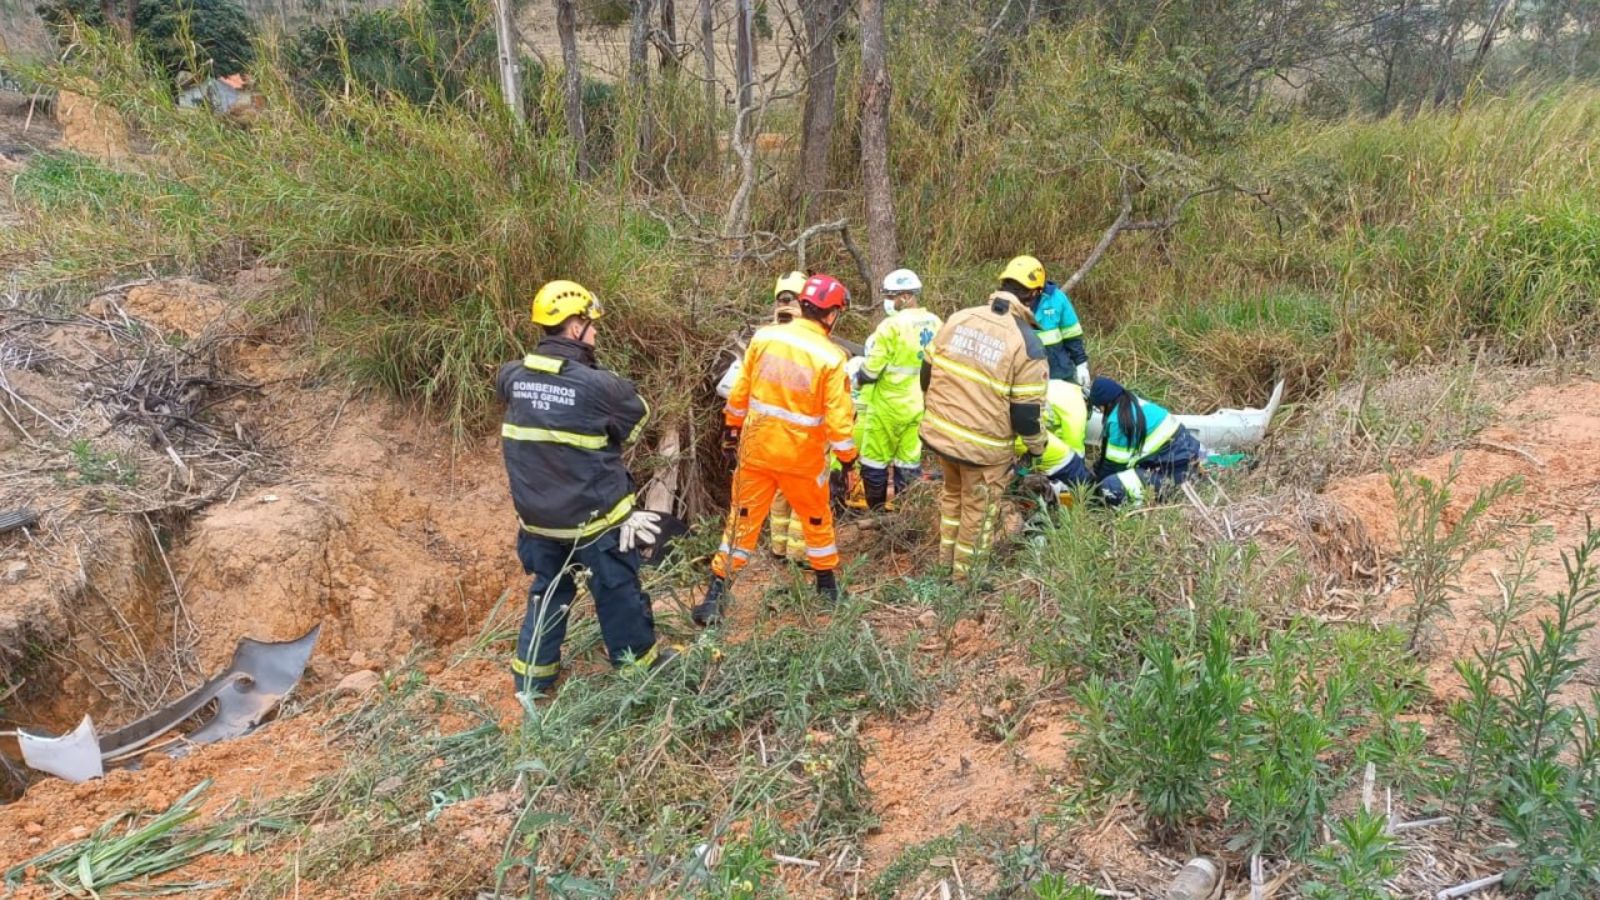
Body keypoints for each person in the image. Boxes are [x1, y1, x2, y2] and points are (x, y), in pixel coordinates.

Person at [497, 280, 671, 695]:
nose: (595, 333)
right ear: (575, 327)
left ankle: (532, 679)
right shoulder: (600, 387)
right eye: (591, 325)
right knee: (616, 592)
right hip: (593, 523)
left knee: (549, 591)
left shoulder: (511, 377)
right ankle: (638, 672)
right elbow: (636, 420)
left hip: (537, 522)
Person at [695, 273, 858, 625]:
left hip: (757, 451)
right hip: (803, 460)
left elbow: (740, 393)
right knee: (816, 521)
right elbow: (839, 421)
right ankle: (827, 590)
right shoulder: (831, 358)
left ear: (802, 304)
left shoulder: (764, 338)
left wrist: (731, 432)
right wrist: (848, 463)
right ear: (831, 314)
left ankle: (715, 597)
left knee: (741, 522)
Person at [919, 277, 1048, 581]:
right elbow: (1027, 414)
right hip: (983, 449)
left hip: (943, 435)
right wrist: (1037, 447)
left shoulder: (960, 318)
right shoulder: (1026, 342)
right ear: (1033, 295)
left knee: (953, 498)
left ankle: (944, 565)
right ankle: (966, 582)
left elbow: (926, 372)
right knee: (979, 513)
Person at [856, 268, 942, 510]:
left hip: (888, 406)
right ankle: (905, 515)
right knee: (908, 462)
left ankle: (877, 514)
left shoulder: (891, 326)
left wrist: (858, 378)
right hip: (919, 406)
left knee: (874, 461)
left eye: (890, 296)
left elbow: (871, 372)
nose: (887, 301)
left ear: (905, 296)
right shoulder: (936, 322)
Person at [1085, 376, 1201, 506]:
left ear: (1105, 404)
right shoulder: (1133, 402)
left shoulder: (1119, 421)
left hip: (1173, 479)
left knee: (1110, 486)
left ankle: (1142, 507)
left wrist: (1094, 492)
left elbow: (1113, 467)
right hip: (1186, 462)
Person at [766, 271, 809, 565]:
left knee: (780, 491)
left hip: (769, 431)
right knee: (803, 493)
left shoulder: (764, 336)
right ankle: (798, 554)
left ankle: (778, 548)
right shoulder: (806, 339)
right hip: (802, 429)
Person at [999, 255, 1089, 386]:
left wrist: (1081, 364)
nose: (1015, 291)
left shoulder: (1057, 299)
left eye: (1020, 287)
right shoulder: (1001, 302)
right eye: (1011, 285)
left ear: (1036, 288)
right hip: (1020, 374)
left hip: (1057, 373)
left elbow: (1072, 335)